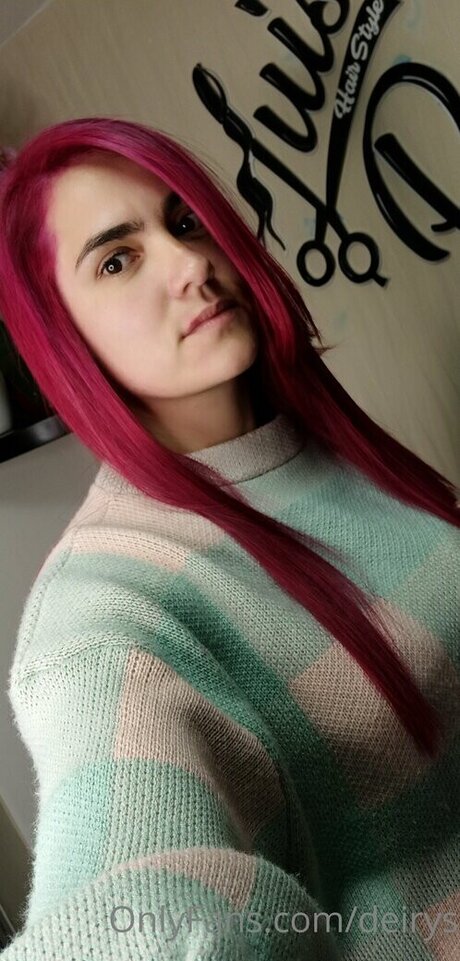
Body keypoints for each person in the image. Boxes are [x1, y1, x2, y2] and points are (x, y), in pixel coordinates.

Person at [0, 117, 458, 960]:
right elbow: (135, 910)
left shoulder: (317, 443)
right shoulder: (102, 622)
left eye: (184, 221)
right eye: (116, 259)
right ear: (63, 335)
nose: (190, 265)